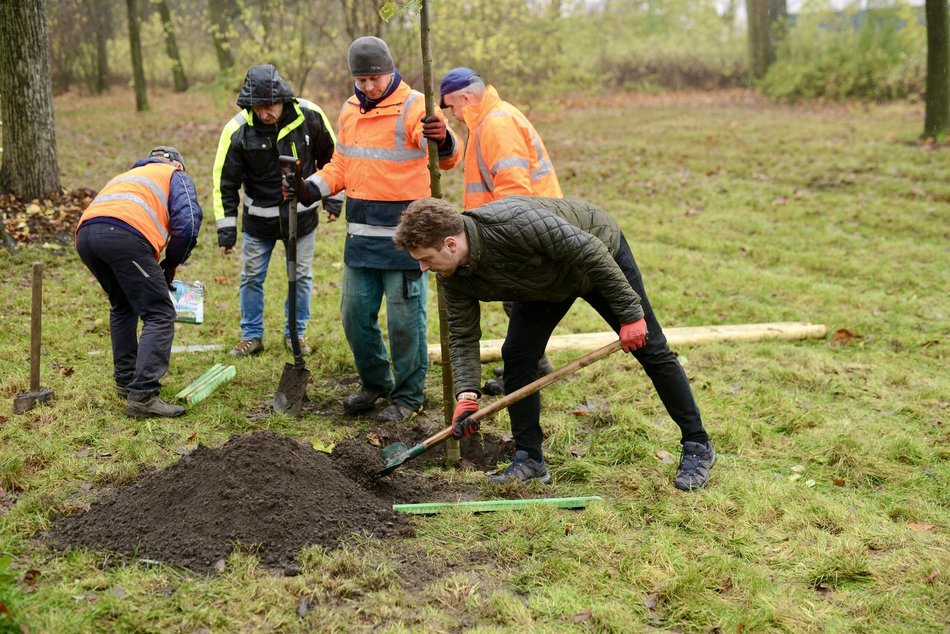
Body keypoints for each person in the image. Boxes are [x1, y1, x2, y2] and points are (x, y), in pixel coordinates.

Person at [393, 196, 715, 491]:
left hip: (597, 257)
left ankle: (698, 445)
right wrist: (466, 395)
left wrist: (631, 316)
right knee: (517, 357)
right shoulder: (450, 274)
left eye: (425, 258)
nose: (422, 267)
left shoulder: (513, 222)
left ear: (450, 243)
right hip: (544, 284)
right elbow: (462, 334)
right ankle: (529, 459)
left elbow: (589, 252)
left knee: (651, 349)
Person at [296, 36, 462, 423]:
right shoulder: (350, 109)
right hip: (360, 235)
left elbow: (446, 159)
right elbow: (342, 163)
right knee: (355, 314)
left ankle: (407, 397)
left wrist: (444, 138)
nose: (369, 86)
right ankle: (375, 382)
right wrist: (311, 188)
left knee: (405, 323)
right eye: (361, 79)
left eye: (375, 78)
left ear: (390, 71)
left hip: (407, 238)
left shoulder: (415, 106)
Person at [439, 67, 564, 393]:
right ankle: (532, 365)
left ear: (465, 98)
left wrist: (502, 237)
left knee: (520, 302)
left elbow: (513, 191)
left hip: (522, 230)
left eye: (451, 106)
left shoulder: (496, 124)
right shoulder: (489, 121)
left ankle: (527, 370)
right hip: (524, 226)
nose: (452, 115)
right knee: (518, 302)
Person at [213, 64, 341, 358]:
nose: (265, 113)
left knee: (302, 276)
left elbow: (333, 160)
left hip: (303, 216)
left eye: (269, 106)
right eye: (257, 108)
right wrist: (226, 229)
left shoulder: (309, 116)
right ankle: (252, 335)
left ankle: (296, 333)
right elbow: (225, 182)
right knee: (251, 277)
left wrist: (332, 199)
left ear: (283, 98)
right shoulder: (237, 130)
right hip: (259, 221)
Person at [75, 146, 202, 418]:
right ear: (178, 164)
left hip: (86, 236)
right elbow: (189, 224)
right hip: (123, 236)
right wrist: (171, 262)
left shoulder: (129, 175)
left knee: (122, 305)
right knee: (159, 312)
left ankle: (125, 380)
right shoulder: (175, 174)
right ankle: (143, 396)